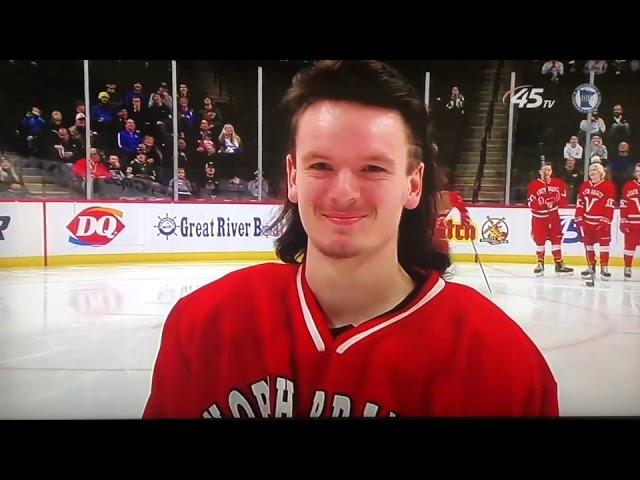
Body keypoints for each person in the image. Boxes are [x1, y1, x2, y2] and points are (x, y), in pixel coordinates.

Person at [144, 60, 558, 418]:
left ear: (414, 185)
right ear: (292, 177)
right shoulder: (202, 325)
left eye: (373, 168)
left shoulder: (502, 363)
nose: (344, 192)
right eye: (321, 165)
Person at [527, 161, 573, 277]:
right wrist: (541, 202)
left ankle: (559, 264)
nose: (546, 172)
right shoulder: (533, 185)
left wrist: (554, 201)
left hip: (553, 216)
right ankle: (540, 263)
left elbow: (564, 201)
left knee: (556, 239)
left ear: (551, 172)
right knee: (540, 240)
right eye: (544, 170)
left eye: (548, 170)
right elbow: (531, 203)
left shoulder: (558, 183)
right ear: (539, 172)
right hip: (539, 218)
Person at [575, 163, 617, 280]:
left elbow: (609, 204)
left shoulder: (608, 186)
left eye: (594, 170)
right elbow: (580, 203)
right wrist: (578, 217)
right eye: (590, 170)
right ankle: (591, 266)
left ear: (601, 172)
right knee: (588, 245)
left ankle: (604, 267)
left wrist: (606, 220)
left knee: (604, 245)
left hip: (601, 222)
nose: (592, 172)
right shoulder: (584, 186)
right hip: (587, 221)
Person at [620, 163, 640, 279]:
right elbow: (624, 204)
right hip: (632, 223)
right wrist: (623, 220)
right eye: (637, 171)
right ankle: (628, 267)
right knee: (629, 246)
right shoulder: (628, 186)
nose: (639, 173)